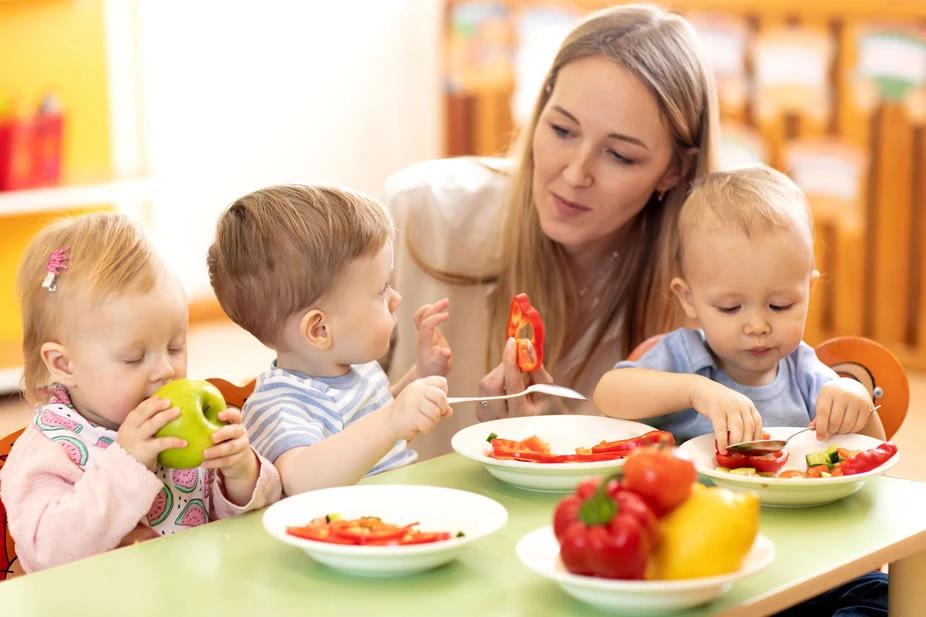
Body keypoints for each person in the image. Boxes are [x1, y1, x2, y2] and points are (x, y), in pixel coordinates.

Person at [383, 3, 721, 460]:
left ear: (673, 171)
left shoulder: (708, 292)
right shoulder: (418, 212)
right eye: (562, 129)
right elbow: (319, 408)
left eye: (619, 156)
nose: (576, 173)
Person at [1, 213, 282, 573]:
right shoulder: (49, 450)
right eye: (134, 358)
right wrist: (125, 466)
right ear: (64, 365)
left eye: (176, 347)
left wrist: (241, 474)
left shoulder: (180, 422)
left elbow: (245, 526)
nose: (165, 370)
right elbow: (46, 555)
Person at [593, 165, 885, 452]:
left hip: (784, 498)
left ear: (808, 291)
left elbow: (875, 451)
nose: (757, 326)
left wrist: (856, 399)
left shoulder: (804, 372)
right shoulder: (684, 356)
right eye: (730, 307)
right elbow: (607, 393)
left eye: (779, 305)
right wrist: (695, 392)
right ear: (688, 298)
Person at [207, 185, 452, 496]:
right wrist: (392, 420)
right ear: (320, 330)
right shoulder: (277, 405)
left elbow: (377, 432)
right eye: (381, 290)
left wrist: (422, 377)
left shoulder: (358, 370)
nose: (396, 298)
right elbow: (300, 480)